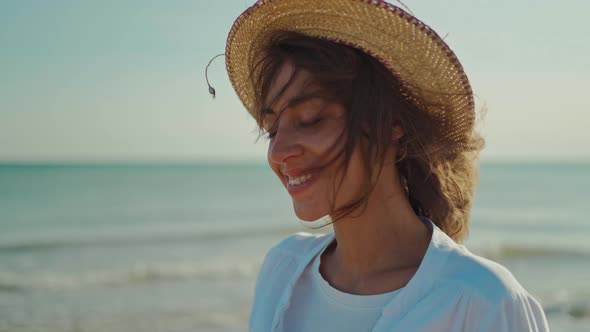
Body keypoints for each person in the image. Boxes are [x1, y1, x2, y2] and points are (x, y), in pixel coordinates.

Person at [223, 0, 550, 331]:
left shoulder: (481, 302)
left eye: (311, 118)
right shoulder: (282, 271)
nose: (279, 151)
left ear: (393, 121)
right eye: (272, 130)